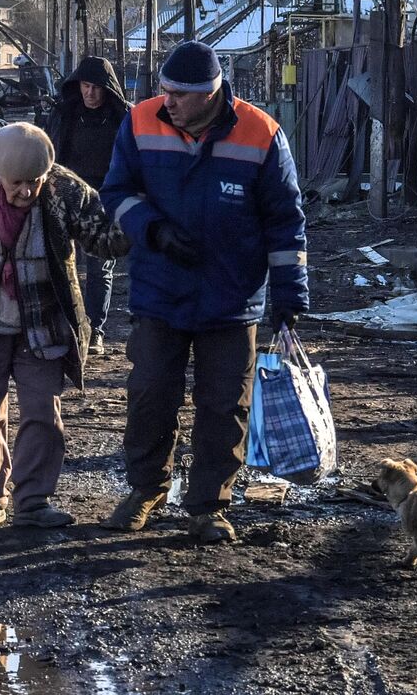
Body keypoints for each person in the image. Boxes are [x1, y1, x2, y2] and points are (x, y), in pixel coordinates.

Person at [98, 40, 309, 544]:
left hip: (232, 300)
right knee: (150, 394)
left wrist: (290, 298)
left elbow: (286, 223)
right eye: (163, 89)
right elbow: (116, 192)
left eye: (178, 94)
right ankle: (146, 489)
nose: (165, 100)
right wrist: (154, 230)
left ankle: (209, 505)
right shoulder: (141, 121)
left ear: (210, 94)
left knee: (224, 405)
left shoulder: (262, 134)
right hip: (160, 290)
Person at [0, 123, 129, 530]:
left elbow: (106, 240)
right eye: (17, 184)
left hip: (42, 323)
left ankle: (33, 501)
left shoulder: (67, 191)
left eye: (34, 182)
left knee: (44, 415)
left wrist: (139, 208)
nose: (26, 192)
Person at [43, 56, 131, 356]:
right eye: (85, 86)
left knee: (99, 268)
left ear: (107, 89)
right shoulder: (65, 115)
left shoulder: (122, 120)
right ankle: (66, 327)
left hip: (106, 200)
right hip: (66, 197)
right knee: (62, 264)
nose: (90, 93)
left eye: (96, 87)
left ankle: (95, 330)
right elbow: (49, 154)